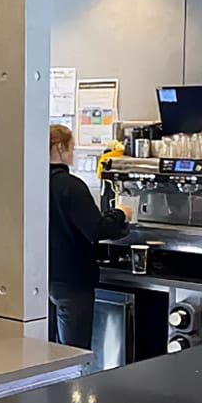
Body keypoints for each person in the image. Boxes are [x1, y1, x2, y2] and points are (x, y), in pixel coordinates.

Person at [49, 124, 129, 348]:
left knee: (46, 349)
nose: (73, 153)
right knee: (73, 351)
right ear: (60, 148)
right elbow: (97, 229)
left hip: (40, 278)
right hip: (71, 279)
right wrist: (121, 214)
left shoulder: (31, 181)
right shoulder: (71, 186)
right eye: (71, 147)